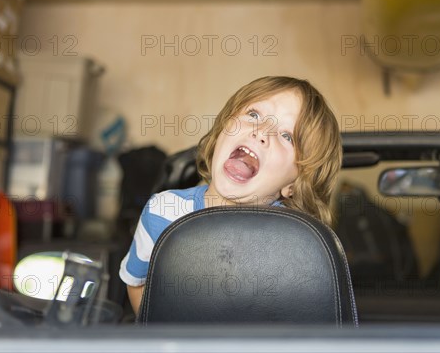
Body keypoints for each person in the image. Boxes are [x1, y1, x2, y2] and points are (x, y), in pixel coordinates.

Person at [119, 76, 343, 315]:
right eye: (254, 115)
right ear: (221, 133)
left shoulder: (296, 242)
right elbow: (137, 283)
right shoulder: (163, 210)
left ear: (294, 185)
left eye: (287, 136)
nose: (261, 132)